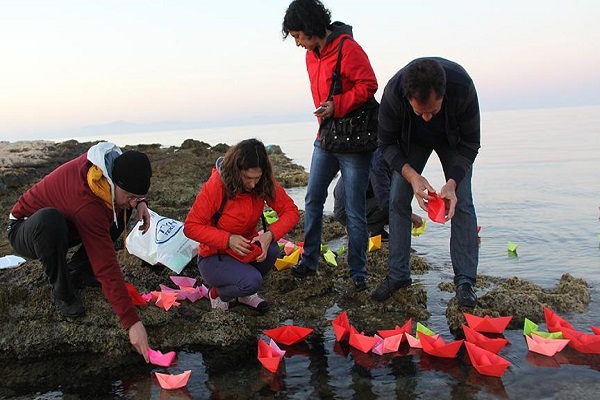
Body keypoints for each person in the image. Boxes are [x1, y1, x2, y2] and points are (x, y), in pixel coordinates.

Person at [7, 142, 153, 362]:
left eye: (138, 196)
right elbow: (106, 266)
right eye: (131, 195)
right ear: (114, 182)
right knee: (50, 221)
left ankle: (81, 272)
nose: (133, 201)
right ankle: (62, 291)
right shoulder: (87, 201)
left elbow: (126, 198)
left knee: (120, 210)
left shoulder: (109, 171)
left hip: (66, 223)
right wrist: (132, 323)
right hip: (26, 228)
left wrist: (139, 203)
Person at [282, 0, 377, 291]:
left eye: (298, 36)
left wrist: (337, 105)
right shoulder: (311, 55)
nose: (297, 43)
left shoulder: (348, 48)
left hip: (354, 142)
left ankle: (358, 271)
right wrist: (327, 114)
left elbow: (369, 84)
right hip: (326, 137)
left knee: (355, 208)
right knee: (312, 199)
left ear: (310, 27)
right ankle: (309, 262)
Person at [374, 57, 481, 308]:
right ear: (407, 98)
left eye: (432, 111)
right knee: (398, 199)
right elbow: (385, 144)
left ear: (443, 95)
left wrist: (452, 183)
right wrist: (412, 176)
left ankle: (465, 281)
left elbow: (470, 144)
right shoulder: (392, 93)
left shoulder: (462, 87)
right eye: (419, 112)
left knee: (462, 202)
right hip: (411, 143)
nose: (426, 118)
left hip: (453, 141)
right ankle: (398, 275)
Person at [184, 139, 299, 313]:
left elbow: (291, 211)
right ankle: (217, 293)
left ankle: (246, 294)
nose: (253, 184)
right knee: (252, 281)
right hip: (214, 257)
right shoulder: (216, 186)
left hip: (245, 251)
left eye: (257, 177)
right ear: (236, 171)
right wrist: (228, 240)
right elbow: (190, 226)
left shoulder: (263, 183)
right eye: (247, 178)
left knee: (273, 249)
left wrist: (270, 235)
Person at [333, 148, 423, 240]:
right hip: (345, 211)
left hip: (353, 202)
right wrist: (410, 216)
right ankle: (369, 230)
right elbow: (383, 200)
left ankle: (374, 229)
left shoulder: (384, 154)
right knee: (391, 203)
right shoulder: (378, 162)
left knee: (394, 203)